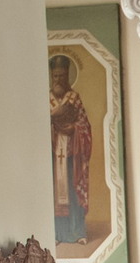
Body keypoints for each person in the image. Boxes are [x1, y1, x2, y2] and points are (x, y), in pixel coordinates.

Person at [49, 54, 92, 245]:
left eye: (62, 76)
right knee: (55, 193)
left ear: (67, 76)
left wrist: (74, 129)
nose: (58, 79)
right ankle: (57, 234)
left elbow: (85, 125)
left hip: (72, 155)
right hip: (52, 155)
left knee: (73, 191)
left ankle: (78, 232)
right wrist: (53, 123)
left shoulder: (74, 98)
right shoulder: (46, 99)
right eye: (55, 76)